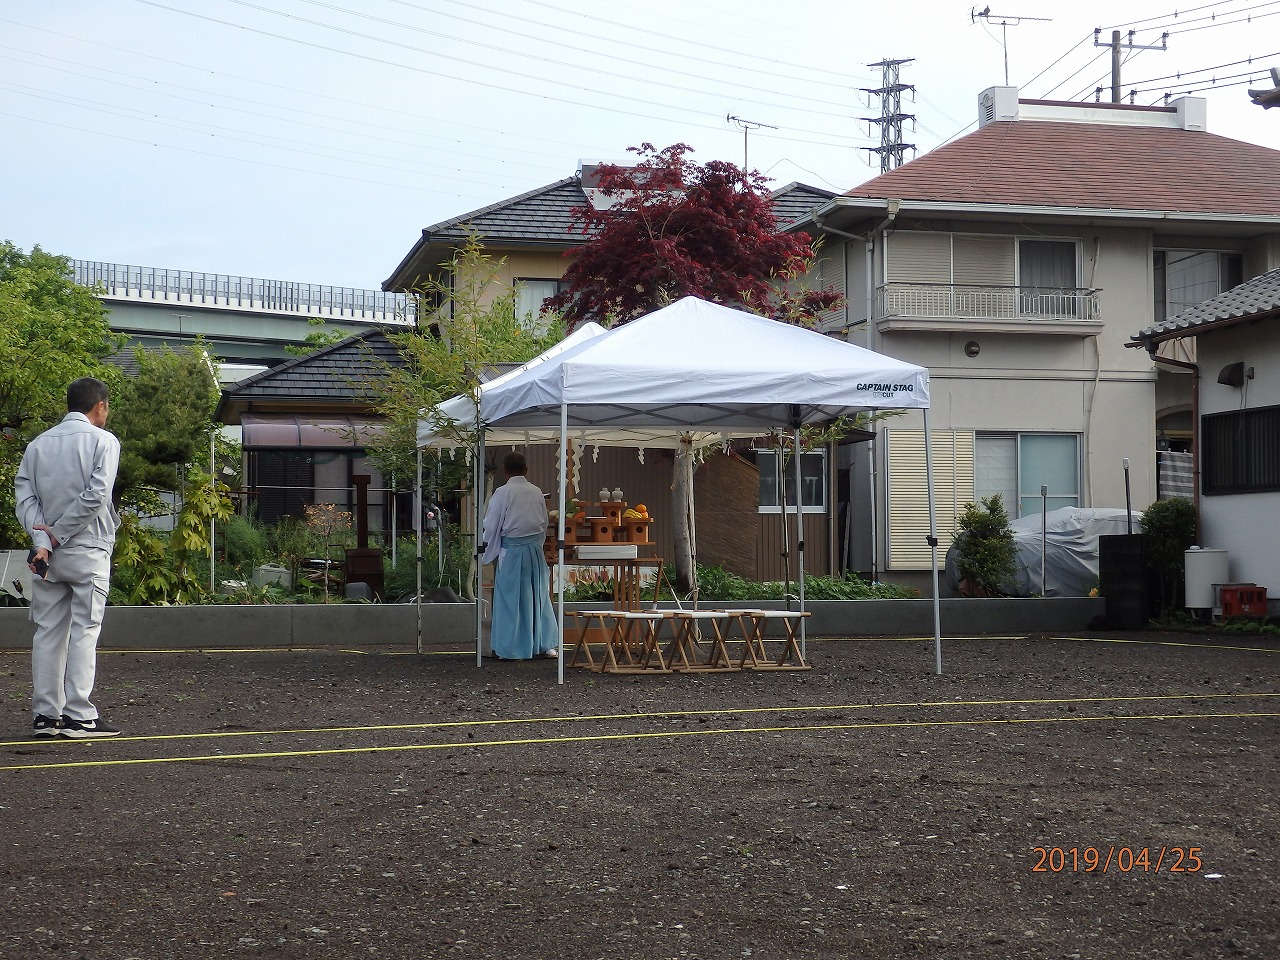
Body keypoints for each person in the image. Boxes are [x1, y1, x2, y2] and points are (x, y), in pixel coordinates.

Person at [15, 377, 122, 738]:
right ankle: (79, 714)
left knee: (47, 632)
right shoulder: (103, 441)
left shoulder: (37, 444)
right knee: (84, 630)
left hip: (45, 554)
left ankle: (46, 715)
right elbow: (96, 497)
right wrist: (57, 536)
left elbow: (25, 499)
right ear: (101, 405)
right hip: (88, 549)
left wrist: (42, 539)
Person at [481, 451, 559, 660]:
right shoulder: (536, 492)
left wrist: (487, 551)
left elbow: (491, 524)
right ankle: (546, 644)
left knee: (510, 599)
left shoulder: (502, 492)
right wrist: (537, 544)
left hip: (513, 550)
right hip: (534, 549)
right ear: (526, 470)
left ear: (505, 471)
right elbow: (544, 522)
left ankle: (512, 648)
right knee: (538, 595)